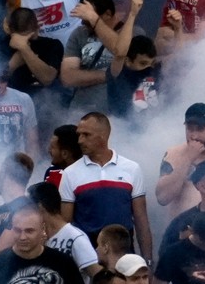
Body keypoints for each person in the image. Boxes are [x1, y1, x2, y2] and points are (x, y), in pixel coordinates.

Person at [61, 111, 153, 259]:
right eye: (79, 135)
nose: (80, 141)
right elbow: (65, 226)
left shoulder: (132, 169)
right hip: (87, 259)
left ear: (103, 135)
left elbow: (141, 221)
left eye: (86, 135)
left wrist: (148, 261)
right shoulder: (70, 173)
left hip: (125, 256)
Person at [0, 208, 83, 284]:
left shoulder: (64, 263)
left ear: (42, 229)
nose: (22, 237)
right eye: (18, 230)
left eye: (29, 231)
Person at [33, 184, 102, 279]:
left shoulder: (76, 237)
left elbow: (98, 276)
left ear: (40, 207)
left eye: (28, 206)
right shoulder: (39, 238)